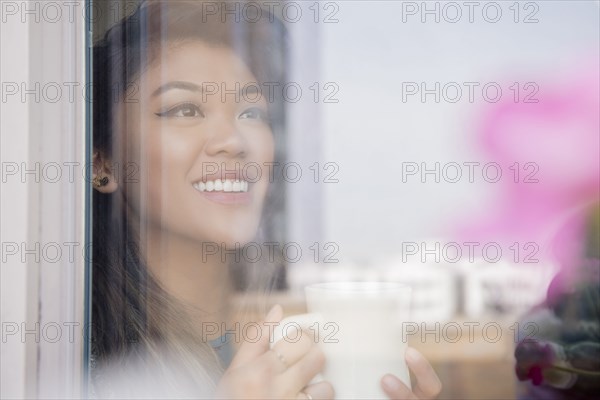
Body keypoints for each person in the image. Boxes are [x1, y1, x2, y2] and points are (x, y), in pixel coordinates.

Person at [90, 1, 442, 398]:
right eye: (184, 109)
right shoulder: (72, 356)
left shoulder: (306, 321)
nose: (233, 142)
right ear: (102, 161)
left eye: (252, 113)